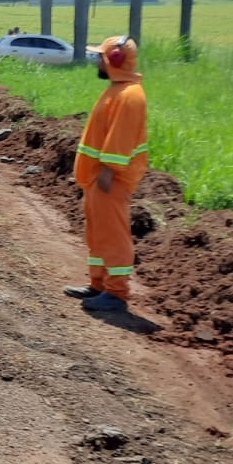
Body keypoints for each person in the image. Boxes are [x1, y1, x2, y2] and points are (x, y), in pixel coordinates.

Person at [64, 35, 148, 313]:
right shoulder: (117, 90)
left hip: (109, 180)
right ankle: (98, 285)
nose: (96, 61)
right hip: (98, 179)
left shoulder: (129, 95)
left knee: (113, 236)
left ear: (113, 59)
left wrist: (108, 171)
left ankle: (117, 292)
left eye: (99, 56)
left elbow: (120, 140)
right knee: (97, 234)